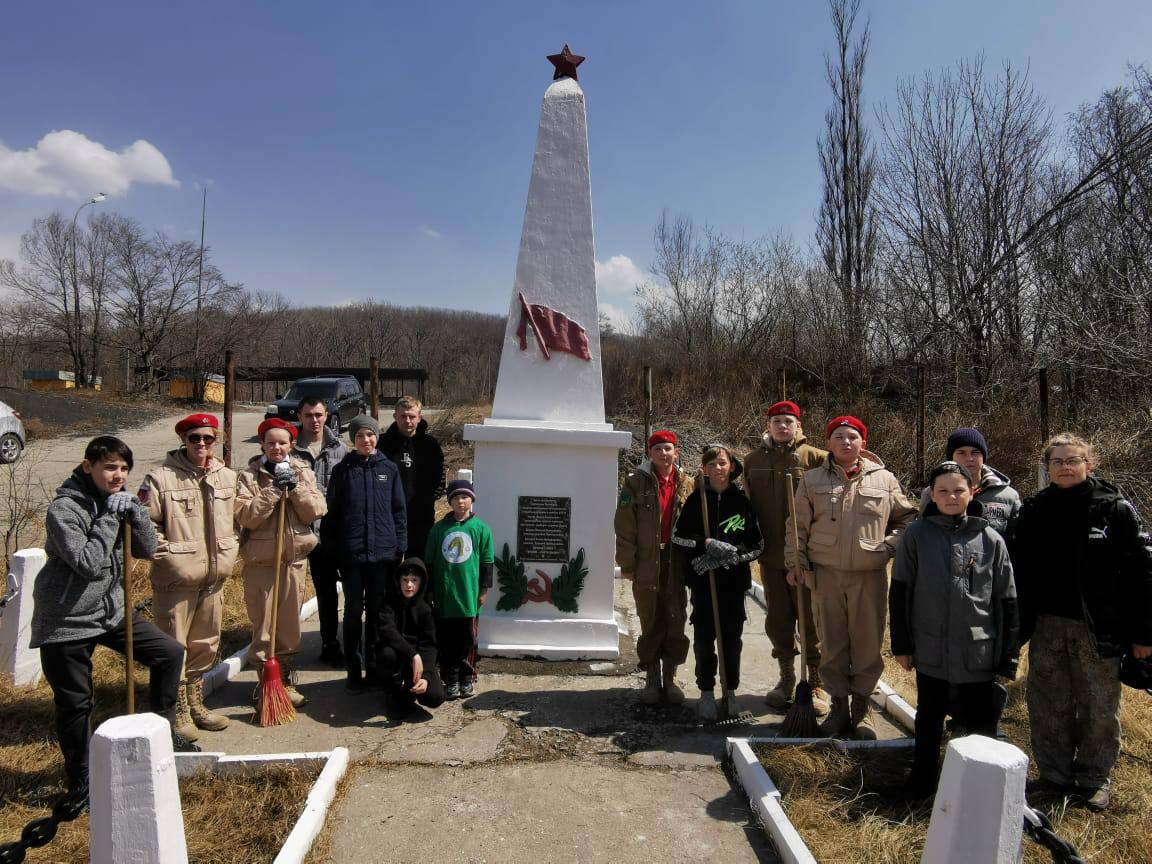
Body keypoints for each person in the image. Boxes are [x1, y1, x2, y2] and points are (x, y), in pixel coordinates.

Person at [31, 436, 198, 808]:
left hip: (110, 611)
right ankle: (82, 781)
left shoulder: (117, 499)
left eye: (123, 468)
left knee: (169, 653)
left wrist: (136, 513)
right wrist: (110, 516)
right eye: (109, 467)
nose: (118, 475)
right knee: (76, 702)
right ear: (88, 466)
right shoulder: (64, 509)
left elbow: (145, 548)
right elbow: (87, 562)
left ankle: (162, 730)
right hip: (66, 618)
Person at [1013, 433, 1152, 811]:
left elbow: (1141, 575)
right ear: (1047, 467)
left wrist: (1143, 633)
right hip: (1046, 626)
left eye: (1073, 460)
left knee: (1099, 707)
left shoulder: (1114, 510)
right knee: (1047, 703)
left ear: (1090, 464)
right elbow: (1018, 572)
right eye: (1056, 462)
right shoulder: (1035, 509)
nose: (1065, 467)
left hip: (1099, 629)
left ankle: (1094, 779)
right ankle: (1054, 776)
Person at [890, 461, 1020, 798]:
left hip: (979, 653)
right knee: (929, 721)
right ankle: (921, 785)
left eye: (958, 490)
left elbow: (1007, 601)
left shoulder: (990, 539)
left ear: (972, 492)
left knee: (978, 726)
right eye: (943, 491)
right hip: (931, 651)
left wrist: (1008, 656)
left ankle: (975, 794)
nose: (951, 496)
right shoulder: (917, 535)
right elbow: (901, 590)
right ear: (931, 495)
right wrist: (902, 645)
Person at [785, 415, 917, 739]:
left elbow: (909, 520)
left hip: (868, 577)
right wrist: (795, 562)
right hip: (825, 575)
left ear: (863, 444)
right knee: (832, 643)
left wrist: (887, 546)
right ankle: (838, 709)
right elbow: (797, 527)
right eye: (839, 436)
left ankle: (862, 711)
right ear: (828, 442)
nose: (846, 442)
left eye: (853, 437)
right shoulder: (812, 479)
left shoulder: (884, 480)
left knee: (867, 644)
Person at [143, 413, 238, 742]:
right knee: (174, 646)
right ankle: (176, 709)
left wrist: (231, 550)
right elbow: (145, 526)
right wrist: (169, 555)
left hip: (214, 578)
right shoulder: (161, 478)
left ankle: (197, 702)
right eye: (194, 438)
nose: (201, 444)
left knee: (206, 643)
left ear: (216, 441)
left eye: (207, 438)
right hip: (177, 580)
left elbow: (237, 519)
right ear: (183, 439)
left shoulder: (226, 476)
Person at [743, 401, 829, 711]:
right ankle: (787, 678)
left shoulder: (817, 458)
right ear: (767, 425)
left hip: (807, 557)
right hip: (771, 557)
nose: (782, 426)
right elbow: (746, 508)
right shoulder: (752, 461)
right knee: (778, 620)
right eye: (776, 421)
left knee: (810, 620)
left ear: (798, 426)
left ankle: (816, 683)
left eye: (788, 421)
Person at [236, 418, 327, 707]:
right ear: (262, 444)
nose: (276, 447)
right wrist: (274, 490)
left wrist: (296, 487)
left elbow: (316, 510)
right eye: (271, 442)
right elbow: (247, 516)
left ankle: (284, 681)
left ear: (291, 445)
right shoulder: (250, 476)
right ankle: (265, 685)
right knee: (263, 626)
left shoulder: (302, 471)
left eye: (282, 443)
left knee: (289, 626)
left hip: (293, 560)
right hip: (261, 562)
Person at [672, 445, 763, 721]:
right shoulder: (696, 500)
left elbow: (757, 544)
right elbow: (679, 537)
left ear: (731, 466)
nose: (718, 469)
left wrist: (733, 556)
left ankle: (730, 691)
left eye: (722, 463)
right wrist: (706, 544)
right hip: (703, 583)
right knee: (704, 637)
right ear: (705, 469)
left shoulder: (742, 501)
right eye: (712, 464)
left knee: (731, 639)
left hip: (733, 584)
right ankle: (706, 692)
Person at [322, 415, 407, 693]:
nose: (366, 440)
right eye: (360, 436)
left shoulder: (389, 469)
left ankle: (373, 667)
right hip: (353, 555)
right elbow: (331, 516)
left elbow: (398, 512)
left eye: (370, 435)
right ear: (353, 439)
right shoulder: (343, 471)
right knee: (353, 612)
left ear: (376, 437)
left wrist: (400, 548)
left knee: (376, 614)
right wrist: (333, 552)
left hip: (382, 555)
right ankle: (352, 669)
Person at [614, 429, 694, 704]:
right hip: (647, 561)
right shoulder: (636, 482)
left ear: (676, 452)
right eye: (657, 449)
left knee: (675, 618)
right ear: (650, 453)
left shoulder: (688, 483)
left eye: (668, 448)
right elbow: (625, 525)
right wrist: (627, 562)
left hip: (676, 563)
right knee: (649, 619)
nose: (663, 453)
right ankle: (652, 677)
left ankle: (670, 678)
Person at [292, 396, 348, 667]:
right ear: (300, 416)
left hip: (336, 532)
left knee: (341, 590)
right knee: (319, 591)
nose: (314, 420)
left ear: (327, 416)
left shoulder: (340, 449)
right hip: (304, 534)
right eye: (308, 415)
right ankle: (324, 643)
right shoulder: (291, 450)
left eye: (319, 415)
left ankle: (342, 640)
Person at [425, 479, 493, 700]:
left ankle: (466, 677)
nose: (460, 502)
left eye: (464, 497)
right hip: (445, 597)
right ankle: (450, 679)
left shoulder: (481, 529)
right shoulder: (439, 530)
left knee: (467, 640)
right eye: (455, 498)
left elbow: (487, 562)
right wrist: (431, 590)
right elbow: (430, 562)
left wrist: (484, 589)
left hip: (468, 597)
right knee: (446, 641)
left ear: (471, 500)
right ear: (450, 502)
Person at [918, 428, 1021, 541]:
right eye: (961, 453)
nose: (969, 458)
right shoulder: (932, 493)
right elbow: (922, 535)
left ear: (984, 456)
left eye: (975, 452)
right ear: (951, 457)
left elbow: (1016, 542)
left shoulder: (1008, 496)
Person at [378, 396, 445, 566]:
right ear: (395, 417)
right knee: (389, 566)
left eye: (412, 416)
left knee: (417, 565)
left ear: (419, 417)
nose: (407, 420)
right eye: (403, 416)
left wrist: (427, 499)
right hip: (389, 516)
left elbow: (439, 478)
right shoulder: (383, 444)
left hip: (421, 517)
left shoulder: (430, 445)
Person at [377, 557, 446, 718]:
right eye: (405, 580)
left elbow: (430, 645)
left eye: (414, 580)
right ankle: (391, 691)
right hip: (396, 656)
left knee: (435, 696)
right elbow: (387, 631)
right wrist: (413, 654)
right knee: (387, 654)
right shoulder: (389, 603)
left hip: (417, 664)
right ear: (398, 581)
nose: (409, 585)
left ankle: (410, 689)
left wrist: (427, 677)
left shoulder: (425, 610)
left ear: (421, 582)